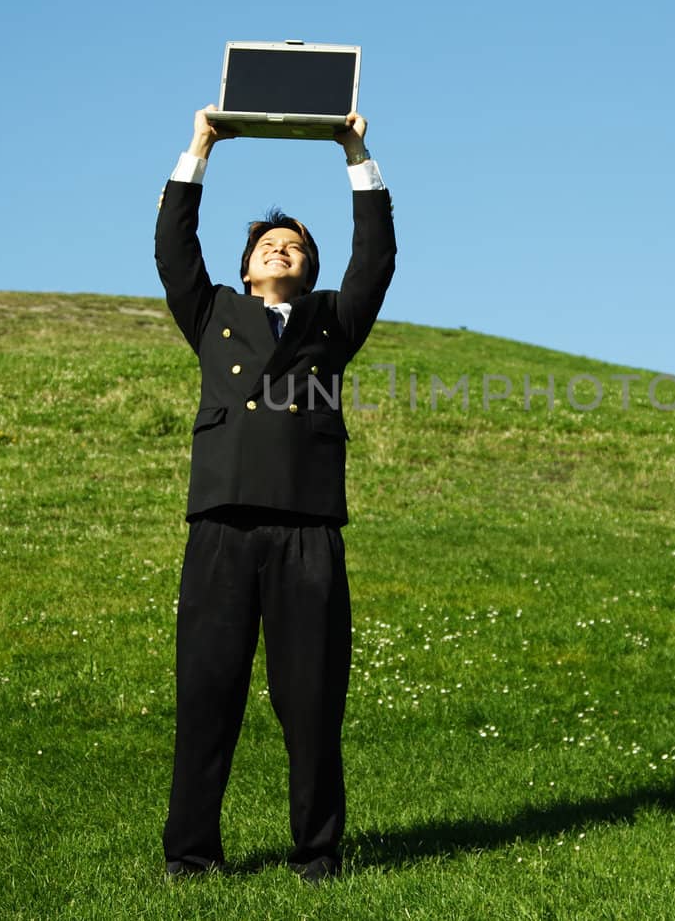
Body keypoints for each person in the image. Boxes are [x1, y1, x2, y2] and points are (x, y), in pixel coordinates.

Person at [153, 105, 396, 885]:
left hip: (308, 532)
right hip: (221, 526)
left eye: (294, 245)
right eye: (268, 244)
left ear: (308, 269)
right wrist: (200, 148)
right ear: (249, 265)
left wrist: (354, 151)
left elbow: (376, 257)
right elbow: (172, 249)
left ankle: (317, 853)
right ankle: (191, 855)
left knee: (313, 700)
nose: (281, 250)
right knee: (207, 696)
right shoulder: (214, 311)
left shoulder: (333, 320)